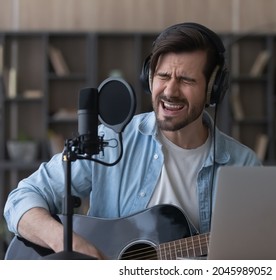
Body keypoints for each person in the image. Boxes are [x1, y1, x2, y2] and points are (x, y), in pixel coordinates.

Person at [3, 22, 261, 259]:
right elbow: (22, 198)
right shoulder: (112, 140)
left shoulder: (242, 165)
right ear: (149, 78)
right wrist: (66, 243)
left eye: (185, 80)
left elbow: (258, 251)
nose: (170, 91)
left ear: (212, 89)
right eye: (162, 76)